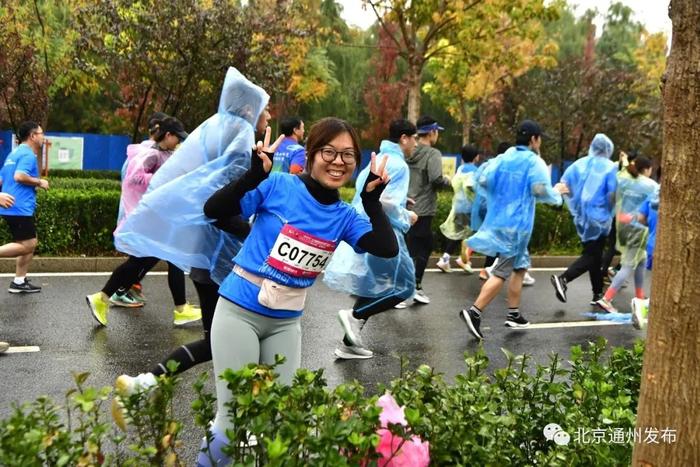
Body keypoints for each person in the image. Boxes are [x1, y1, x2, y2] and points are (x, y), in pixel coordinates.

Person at [198, 117, 397, 464]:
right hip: (239, 313)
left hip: (286, 323)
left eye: (348, 155)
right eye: (329, 152)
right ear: (310, 153)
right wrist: (251, 178)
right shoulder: (277, 185)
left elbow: (386, 247)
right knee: (233, 419)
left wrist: (373, 203)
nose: (338, 161)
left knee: (277, 421)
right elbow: (213, 210)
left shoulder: (344, 215)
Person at [108, 68, 271, 429]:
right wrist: (255, 233)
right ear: (249, 110)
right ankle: (230, 421)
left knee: (222, 340)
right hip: (224, 260)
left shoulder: (216, 126)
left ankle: (147, 386)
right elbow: (221, 204)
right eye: (265, 108)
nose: (269, 115)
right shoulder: (241, 135)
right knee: (245, 338)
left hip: (206, 254)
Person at [85, 117, 202, 326]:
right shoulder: (152, 154)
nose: (179, 142)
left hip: (159, 218)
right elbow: (133, 178)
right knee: (156, 260)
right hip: (152, 219)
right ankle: (180, 309)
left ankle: (102, 298)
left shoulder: (166, 153)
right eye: (177, 138)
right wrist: (162, 180)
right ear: (168, 135)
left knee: (144, 262)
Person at [460, 120, 568, 339]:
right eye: (540, 138)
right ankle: (475, 312)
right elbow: (540, 189)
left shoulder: (503, 158)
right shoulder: (533, 161)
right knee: (502, 271)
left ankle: (514, 313)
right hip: (516, 226)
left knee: (520, 267)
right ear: (534, 139)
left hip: (500, 220)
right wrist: (557, 194)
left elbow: (480, 179)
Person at [324, 119, 418, 359]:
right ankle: (352, 316)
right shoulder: (399, 164)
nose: (415, 144)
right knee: (404, 287)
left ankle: (348, 344)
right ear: (404, 138)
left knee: (376, 288)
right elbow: (386, 204)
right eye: (414, 138)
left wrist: (401, 202)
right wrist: (408, 215)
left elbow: (368, 194)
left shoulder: (375, 161)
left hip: (368, 231)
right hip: (388, 233)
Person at [550, 134, 617, 306]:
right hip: (600, 219)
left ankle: (597, 293)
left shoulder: (579, 164)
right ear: (608, 149)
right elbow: (612, 195)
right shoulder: (610, 168)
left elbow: (564, 186)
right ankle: (563, 279)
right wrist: (615, 209)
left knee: (594, 254)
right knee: (592, 255)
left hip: (582, 218)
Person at [112, 111, 170, 307]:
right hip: (140, 212)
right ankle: (118, 290)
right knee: (143, 256)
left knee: (145, 255)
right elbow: (133, 181)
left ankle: (127, 287)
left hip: (138, 211)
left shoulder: (141, 150)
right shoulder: (148, 153)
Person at [595, 156, 658, 313]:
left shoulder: (624, 181)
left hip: (623, 227)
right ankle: (606, 299)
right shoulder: (651, 185)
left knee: (641, 261)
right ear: (647, 169)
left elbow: (611, 196)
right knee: (628, 264)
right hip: (639, 229)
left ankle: (639, 296)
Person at [405, 115, 450, 304]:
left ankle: (400, 287)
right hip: (423, 209)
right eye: (436, 132)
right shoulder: (433, 154)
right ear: (432, 132)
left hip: (405, 206)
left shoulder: (407, 152)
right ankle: (413, 287)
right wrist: (450, 181)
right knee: (423, 247)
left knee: (407, 248)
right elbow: (436, 179)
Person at [0, 121, 48, 293]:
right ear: (33, 136)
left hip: (13, 206)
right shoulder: (27, 155)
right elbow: (19, 176)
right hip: (18, 207)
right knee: (29, 244)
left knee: (25, 242)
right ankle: (19, 282)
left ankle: (19, 282)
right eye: (41, 133)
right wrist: (39, 182)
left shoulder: (14, 154)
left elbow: (2, 180)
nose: (43, 137)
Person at [436, 144, 481, 273]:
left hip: (458, 207)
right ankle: (464, 259)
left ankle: (445, 259)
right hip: (470, 209)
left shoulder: (460, 169)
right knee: (475, 233)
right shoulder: (474, 171)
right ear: (476, 157)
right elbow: (470, 186)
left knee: (457, 236)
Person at [631, 186, 659, 330]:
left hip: (652, 244)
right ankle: (644, 304)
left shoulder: (654, 193)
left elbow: (641, 218)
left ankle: (644, 305)